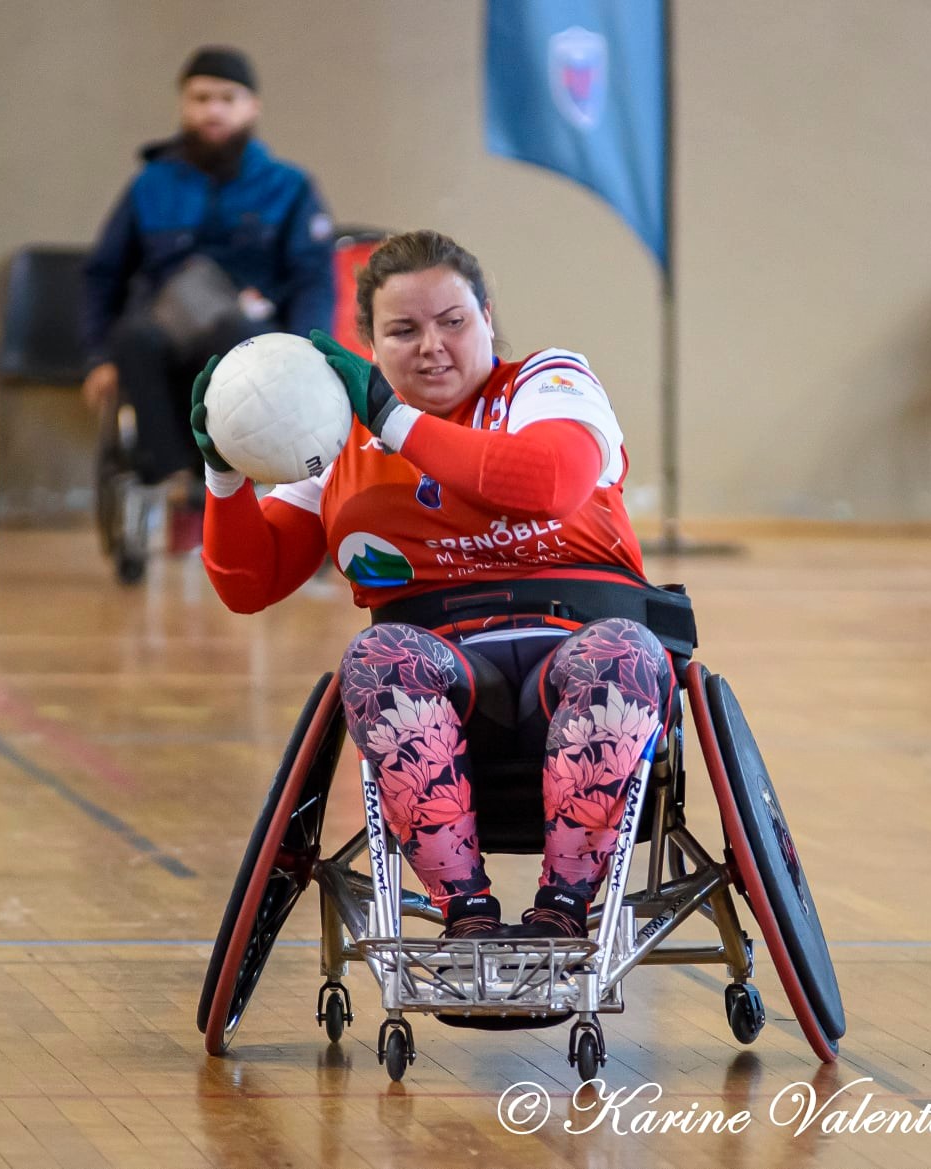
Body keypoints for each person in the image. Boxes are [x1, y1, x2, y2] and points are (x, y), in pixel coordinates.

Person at [193, 229, 675, 940]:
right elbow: (249, 582)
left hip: (578, 650)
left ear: (486, 315)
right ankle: (465, 912)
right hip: (442, 679)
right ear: (367, 342)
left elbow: (548, 482)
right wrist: (223, 472)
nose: (431, 345)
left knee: (625, 652)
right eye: (403, 329)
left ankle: (564, 909)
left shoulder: (548, 383)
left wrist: (393, 419)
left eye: (452, 321)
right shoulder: (336, 441)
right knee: (377, 657)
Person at [81, 45, 334, 546]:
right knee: (132, 340)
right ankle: (179, 484)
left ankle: (229, 478)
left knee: (232, 332)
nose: (213, 110)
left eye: (227, 98)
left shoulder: (290, 187)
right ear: (183, 106)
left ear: (252, 107)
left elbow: (313, 280)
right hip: (167, 333)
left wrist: (309, 355)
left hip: (252, 337)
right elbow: (103, 274)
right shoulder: (150, 186)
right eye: (200, 98)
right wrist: (96, 358)